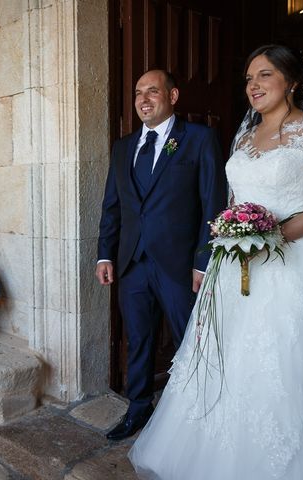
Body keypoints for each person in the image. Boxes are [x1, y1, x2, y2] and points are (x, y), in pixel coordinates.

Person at [130, 45, 303, 479]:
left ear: (292, 82)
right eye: (249, 79)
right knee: (223, 363)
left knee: (282, 366)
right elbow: (234, 201)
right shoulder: (244, 137)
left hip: (292, 265)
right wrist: (230, 232)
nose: (254, 86)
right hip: (233, 269)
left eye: (265, 76)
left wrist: (274, 235)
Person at [96, 69, 227, 440]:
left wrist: (203, 261)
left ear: (173, 96)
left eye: (152, 91)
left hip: (181, 266)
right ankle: (138, 408)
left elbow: (212, 205)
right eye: (138, 92)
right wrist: (104, 255)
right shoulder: (123, 146)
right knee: (138, 338)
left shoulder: (198, 139)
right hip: (131, 264)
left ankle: (197, 413)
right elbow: (113, 207)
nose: (143, 99)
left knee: (192, 340)